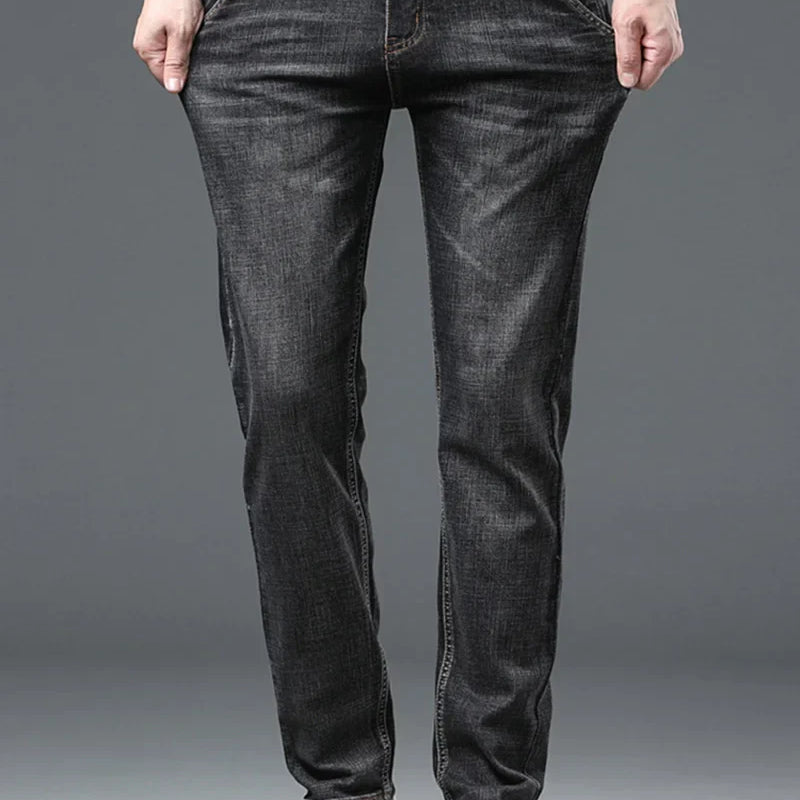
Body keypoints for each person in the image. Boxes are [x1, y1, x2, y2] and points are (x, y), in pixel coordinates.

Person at [132, 1, 682, 798]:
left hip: (522, 19)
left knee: (504, 413)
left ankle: (493, 786)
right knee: (288, 403)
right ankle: (340, 785)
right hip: (277, 17)